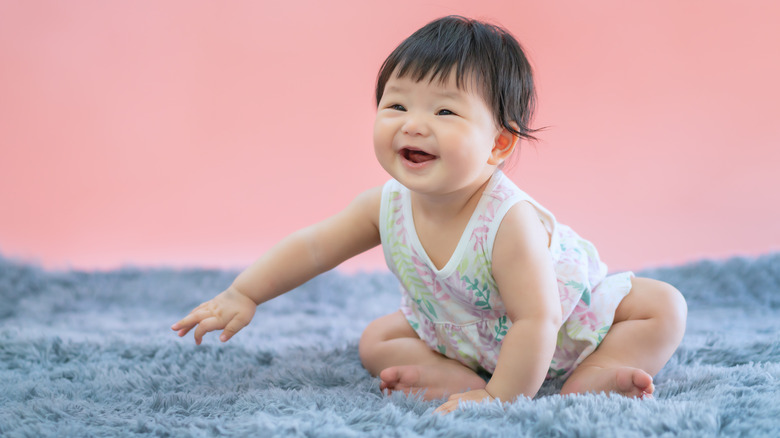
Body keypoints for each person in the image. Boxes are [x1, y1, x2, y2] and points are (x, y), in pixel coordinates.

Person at [171, 15, 687, 414]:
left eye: (444, 112)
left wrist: (501, 401)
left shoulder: (507, 222)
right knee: (377, 340)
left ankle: (598, 370)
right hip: (465, 334)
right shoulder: (384, 206)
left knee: (663, 305)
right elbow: (313, 247)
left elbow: (539, 318)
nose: (413, 126)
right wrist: (245, 291)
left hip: (565, 327)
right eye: (396, 106)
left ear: (498, 144)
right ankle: (455, 378)